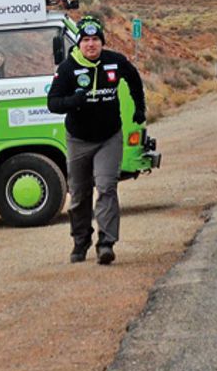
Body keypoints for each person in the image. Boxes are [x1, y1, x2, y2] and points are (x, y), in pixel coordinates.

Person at [47, 15, 146, 265]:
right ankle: (81, 241)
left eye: (95, 40)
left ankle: (106, 243)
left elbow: (134, 80)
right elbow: (53, 103)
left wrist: (139, 108)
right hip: (79, 140)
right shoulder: (68, 68)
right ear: (79, 43)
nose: (91, 45)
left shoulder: (115, 62)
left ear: (102, 42)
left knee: (106, 188)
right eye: (86, 40)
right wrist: (74, 102)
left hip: (109, 137)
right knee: (79, 194)